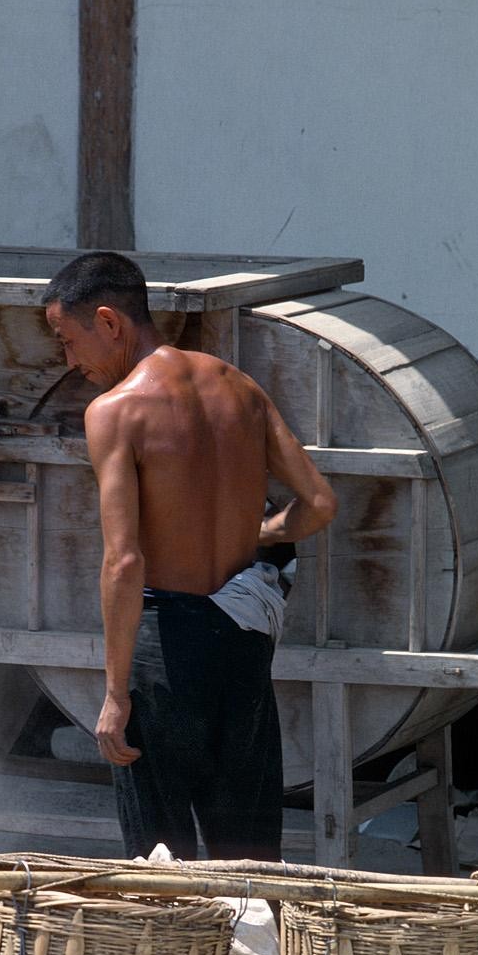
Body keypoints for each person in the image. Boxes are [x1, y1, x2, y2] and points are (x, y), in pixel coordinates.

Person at [42, 251, 337, 861]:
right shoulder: (240, 388)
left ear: (109, 322)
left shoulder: (116, 412)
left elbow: (124, 561)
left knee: (160, 866)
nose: (69, 360)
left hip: (164, 648)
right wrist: (259, 535)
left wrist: (116, 695)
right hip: (242, 638)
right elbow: (318, 504)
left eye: (68, 340)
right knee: (250, 863)